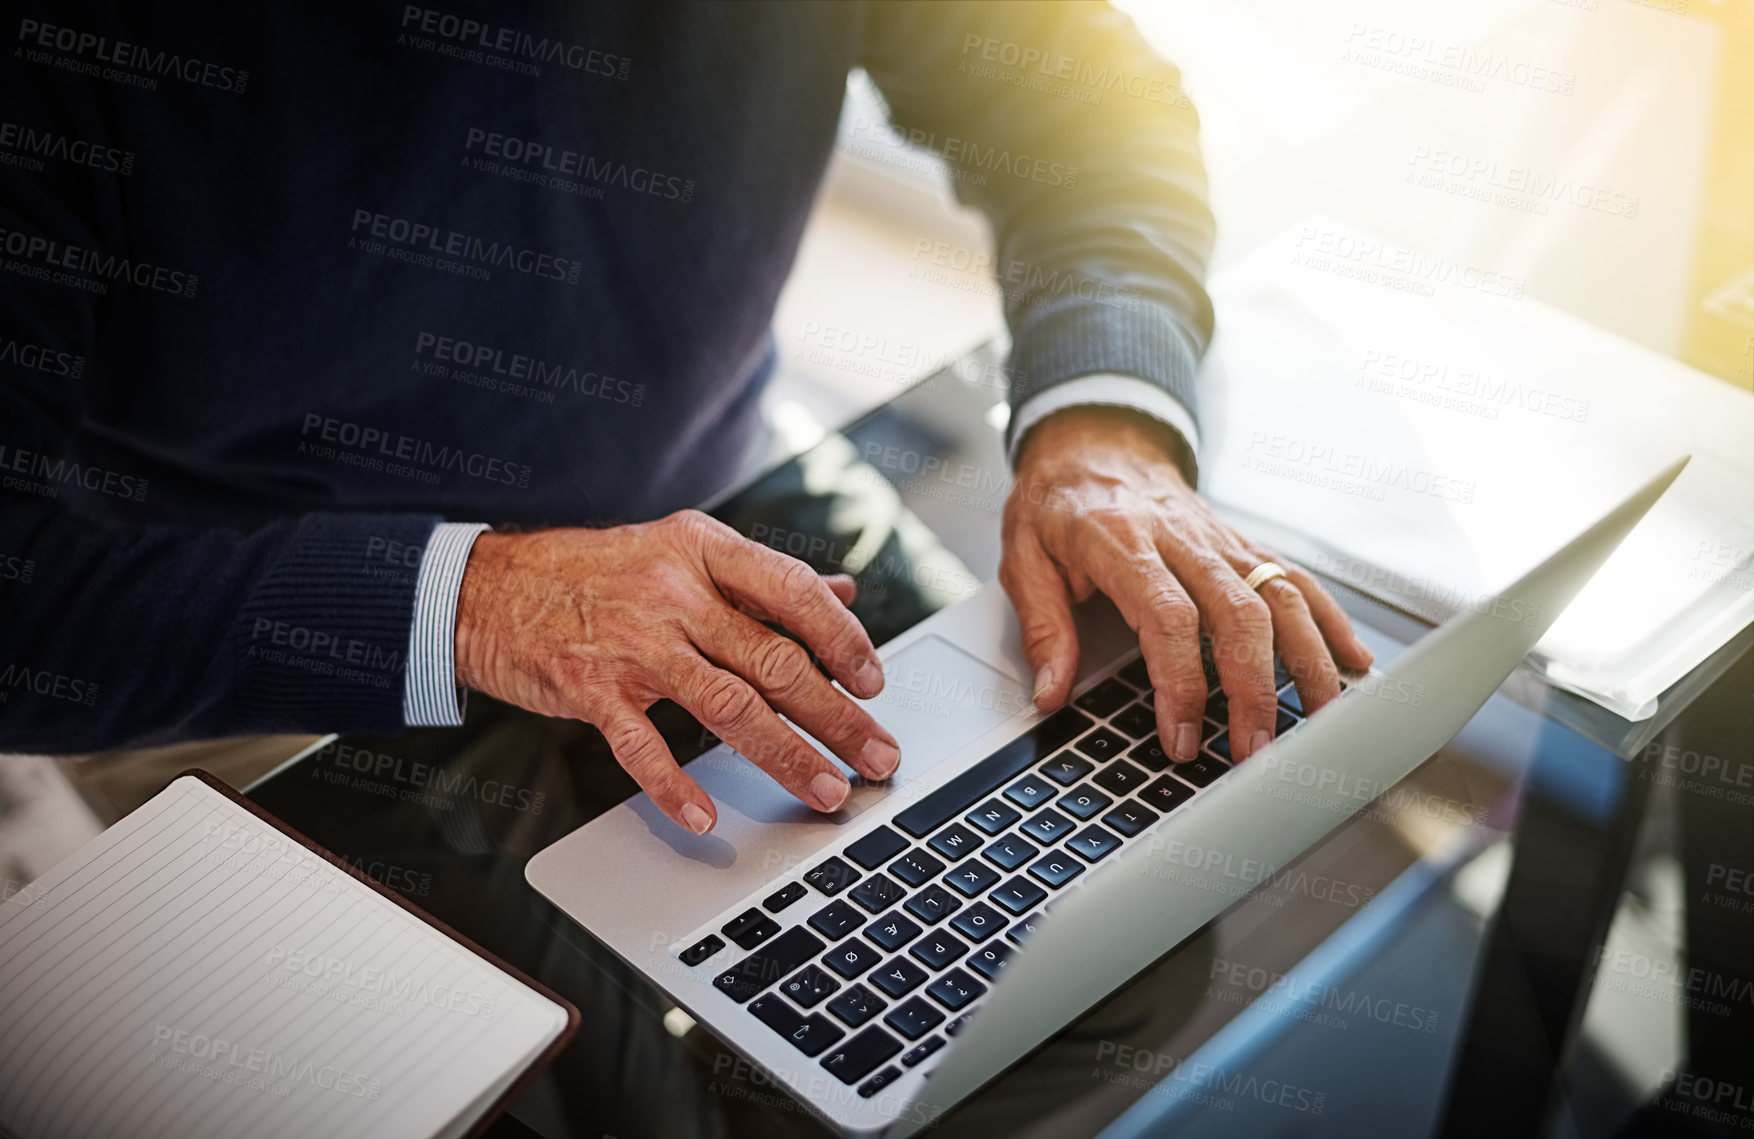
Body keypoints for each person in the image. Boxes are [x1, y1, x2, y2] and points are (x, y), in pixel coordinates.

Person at [0, 0, 1370, 835]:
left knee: (1074, 901)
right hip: (259, 634)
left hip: (724, 490)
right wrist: (476, 601)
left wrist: (1104, 427)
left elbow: (1085, 105)